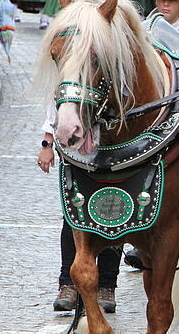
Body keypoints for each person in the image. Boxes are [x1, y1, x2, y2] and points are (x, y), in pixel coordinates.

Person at [36, 110, 121, 314]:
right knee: (74, 216)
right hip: (78, 150)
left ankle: (106, 286)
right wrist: (47, 143)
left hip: (116, 147)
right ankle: (68, 285)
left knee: (113, 213)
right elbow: (58, 103)